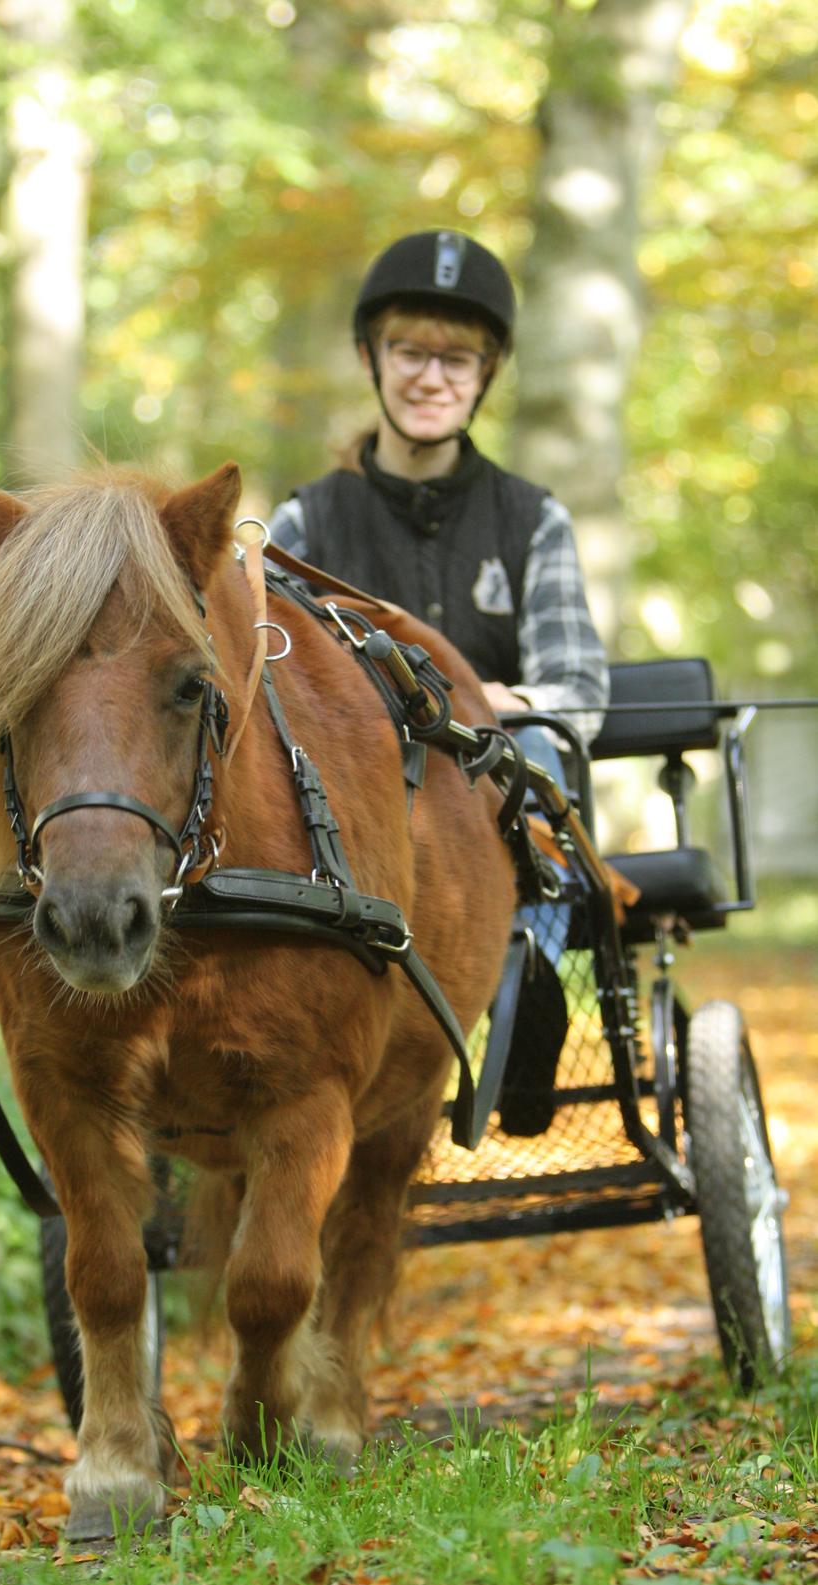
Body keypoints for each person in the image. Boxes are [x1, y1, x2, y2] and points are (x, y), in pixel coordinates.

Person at [269, 229, 609, 1135]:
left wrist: (479, 706)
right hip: (350, 786)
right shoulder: (305, 519)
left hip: (490, 770)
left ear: (485, 374)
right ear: (370, 359)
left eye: (455, 358)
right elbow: (274, 680)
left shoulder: (531, 519)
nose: (431, 377)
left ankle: (525, 978)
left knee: (538, 743)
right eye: (410, 351)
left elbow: (575, 684)